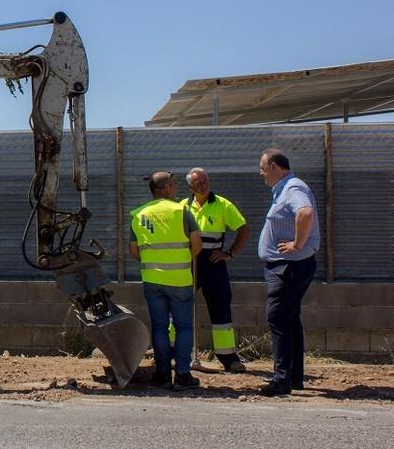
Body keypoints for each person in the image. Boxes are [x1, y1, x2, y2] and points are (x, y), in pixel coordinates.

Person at [130, 171, 203, 390]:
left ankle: (162, 374)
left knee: (159, 328)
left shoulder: (139, 214)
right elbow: (196, 243)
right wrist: (181, 258)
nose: (176, 188)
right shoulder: (182, 210)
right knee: (183, 328)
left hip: (152, 280)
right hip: (180, 280)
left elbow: (134, 251)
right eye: (173, 184)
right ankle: (182, 375)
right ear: (167, 188)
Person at [257, 148, 320, 396]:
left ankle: (282, 380)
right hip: (287, 266)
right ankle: (294, 378)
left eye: (263, 168)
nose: (261, 173)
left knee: (278, 318)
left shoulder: (293, 187)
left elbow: (305, 212)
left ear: (274, 166)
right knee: (290, 319)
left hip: (289, 266)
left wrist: (297, 244)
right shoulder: (283, 189)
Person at [182, 168, 251, 373]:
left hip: (213, 262)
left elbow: (244, 230)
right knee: (180, 306)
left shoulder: (222, 204)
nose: (204, 185)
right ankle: (173, 352)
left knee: (220, 307)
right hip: (190, 262)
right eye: (199, 183)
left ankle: (228, 357)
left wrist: (229, 253)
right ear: (190, 187)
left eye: (206, 181)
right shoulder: (183, 206)